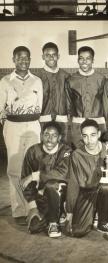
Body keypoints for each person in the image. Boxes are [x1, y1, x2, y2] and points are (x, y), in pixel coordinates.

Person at [0, 46, 43, 225]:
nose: (23, 61)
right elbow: (1, 109)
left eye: (26, 57)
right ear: (13, 59)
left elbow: (39, 106)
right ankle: (19, 210)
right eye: (19, 58)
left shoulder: (37, 81)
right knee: (15, 169)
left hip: (33, 125)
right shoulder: (5, 81)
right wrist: (10, 125)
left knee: (34, 167)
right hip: (13, 126)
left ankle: (33, 208)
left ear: (30, 59)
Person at [65, 119, 108, 237]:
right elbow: (73, 183)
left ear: (99, 134)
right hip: (87, 193)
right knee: (77, 232)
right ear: (81, 136)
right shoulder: (77, 154)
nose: (89, 140)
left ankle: (103, 222)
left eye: (93, 135)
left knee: (107, 187)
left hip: (107, 190)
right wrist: (70, 211)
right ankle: (93, 212)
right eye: (85, 136)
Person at [21, 121, 72, 238]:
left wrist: (35, 176)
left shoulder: (66, 151)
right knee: (34, 227)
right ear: (41, 135)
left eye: (54, 136)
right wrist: (33, 207)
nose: (50, 139)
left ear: (59, 137)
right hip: (42, 198)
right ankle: (54, 215)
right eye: (46, 135)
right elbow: (25, 181)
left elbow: (63, 173)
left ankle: (54, 221)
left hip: (60, 195)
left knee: (52, 184)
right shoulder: (32, 151)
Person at [65, 46, 106, 149]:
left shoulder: (102, 79)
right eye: (81, 58)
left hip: (98, 123)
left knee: (97, 153)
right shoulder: (71, 80)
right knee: (78, 153)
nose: (84, 61)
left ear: (93, 60)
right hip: (77, 124)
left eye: (88, 58)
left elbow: (106, 104)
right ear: (78, 60)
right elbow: (68, 105)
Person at [37, 42, 70, 143]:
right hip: (43, 118)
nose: (51, 57)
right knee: (45, 146)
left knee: (62, 147)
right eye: (47, 55)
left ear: (58, 56)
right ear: (43, 57)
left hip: (62, 118)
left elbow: (69, 99)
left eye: (54, 54)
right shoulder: (37, 77)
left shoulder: (66, 76)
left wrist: (68, 115)